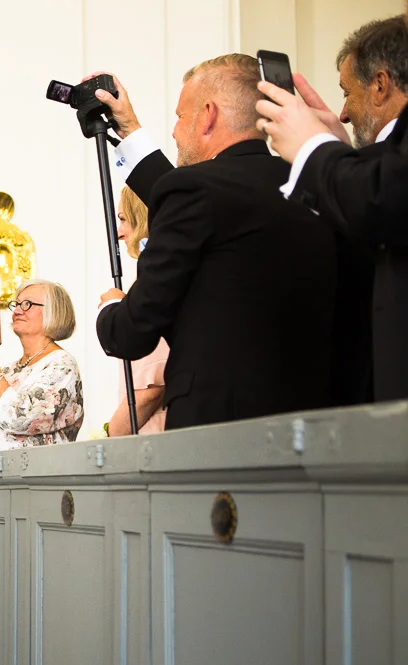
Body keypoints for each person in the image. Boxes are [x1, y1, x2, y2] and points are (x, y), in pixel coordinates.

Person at [94, 55, 340, 429]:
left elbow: (132, 332)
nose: (175, 132)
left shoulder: (196, 191)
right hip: (314, 417)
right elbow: (203, 199)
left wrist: (110, 308)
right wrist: (129, 129)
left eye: (180, 117)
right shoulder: (316, 183)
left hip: (217, 425)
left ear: (208, 115)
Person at [257, 15, 408, 401]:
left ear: (380, 85)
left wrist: (314, 150)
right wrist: (341, 155)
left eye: (346, 92)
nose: (343, 112)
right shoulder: (375, 160)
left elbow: (384, 198)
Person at [0, 281, 83, 452]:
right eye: (16, 304)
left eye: (27, 304)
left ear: (54, 312)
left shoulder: (62, 365)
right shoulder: (8, 372)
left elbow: (19, 419)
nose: (16, 311)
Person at [108, 189, 166, 436]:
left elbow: (149, 388)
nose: (119, 233)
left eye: (123, 219)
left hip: (157, 437)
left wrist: (111, 435)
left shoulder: (155, 285)